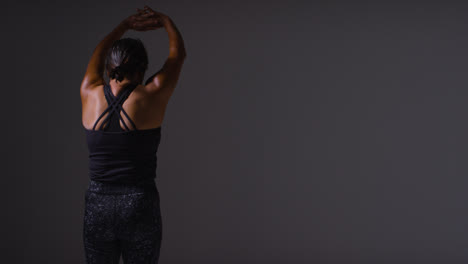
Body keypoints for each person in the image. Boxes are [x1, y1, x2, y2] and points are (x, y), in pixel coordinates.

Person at [80, 5, 186, 263]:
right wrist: (166, 21)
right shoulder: (152, 94)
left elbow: (98, 52)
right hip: (139, 203)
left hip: (98, 205)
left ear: (108, 69)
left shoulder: (89, 92)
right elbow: (178, 55)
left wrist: (124, 25)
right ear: (143, 71)